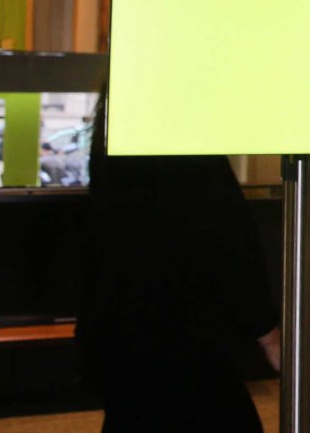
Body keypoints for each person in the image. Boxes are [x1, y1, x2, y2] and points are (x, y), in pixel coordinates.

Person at [77, 92, 281, 433]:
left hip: (122, 326)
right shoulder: (185, 137)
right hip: (186, 334)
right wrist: (265, 330)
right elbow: (228, 237)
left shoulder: (115, 130)